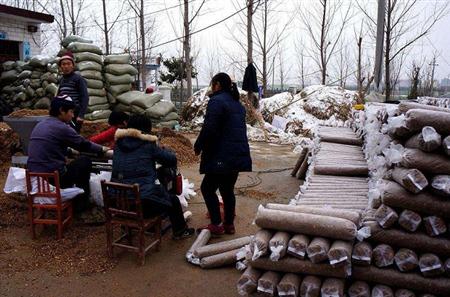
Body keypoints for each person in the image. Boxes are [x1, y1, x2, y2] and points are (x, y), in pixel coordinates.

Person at [111, 114, 194, 240]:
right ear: (146, 130)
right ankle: (180, 231)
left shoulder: (118, 144)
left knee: (144, 190)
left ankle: (128, 225)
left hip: (117, 204)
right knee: (173, 200)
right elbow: (171, 160)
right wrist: (164, 150)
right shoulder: (148, 145)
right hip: (142, 205)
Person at [27, 95, 111, 212]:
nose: (72, 115)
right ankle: (81, 205)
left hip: (36, 178)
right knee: (84, 161)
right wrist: (102, 149)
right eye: (71, 112)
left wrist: (69, 151)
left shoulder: (40, 125)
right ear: (61, 110)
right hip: (53, 179)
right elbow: (83, 144)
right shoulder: (61, 127)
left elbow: (52, 146)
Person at [194, 73, 252, 235]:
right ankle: (228, 224)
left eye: (213, 83)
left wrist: (199, 145)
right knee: (227, 190)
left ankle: (216, 224)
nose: (212, 86)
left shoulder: (216, 102)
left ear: (217, 84)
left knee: (207, 188)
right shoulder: (237, 104)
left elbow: (210, 128)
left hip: (222, 155)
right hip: (237, 154)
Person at [57, 51, 89, 133]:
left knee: (73, 136)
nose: (66, 66)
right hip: (63, 114)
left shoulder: (78, 79)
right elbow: (59, 96)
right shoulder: (61, 80)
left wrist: (81, 115)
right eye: (63, 64)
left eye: (68, 64)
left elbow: (84, 97)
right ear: (60, 66)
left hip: (75, 114)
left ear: (73, 65)